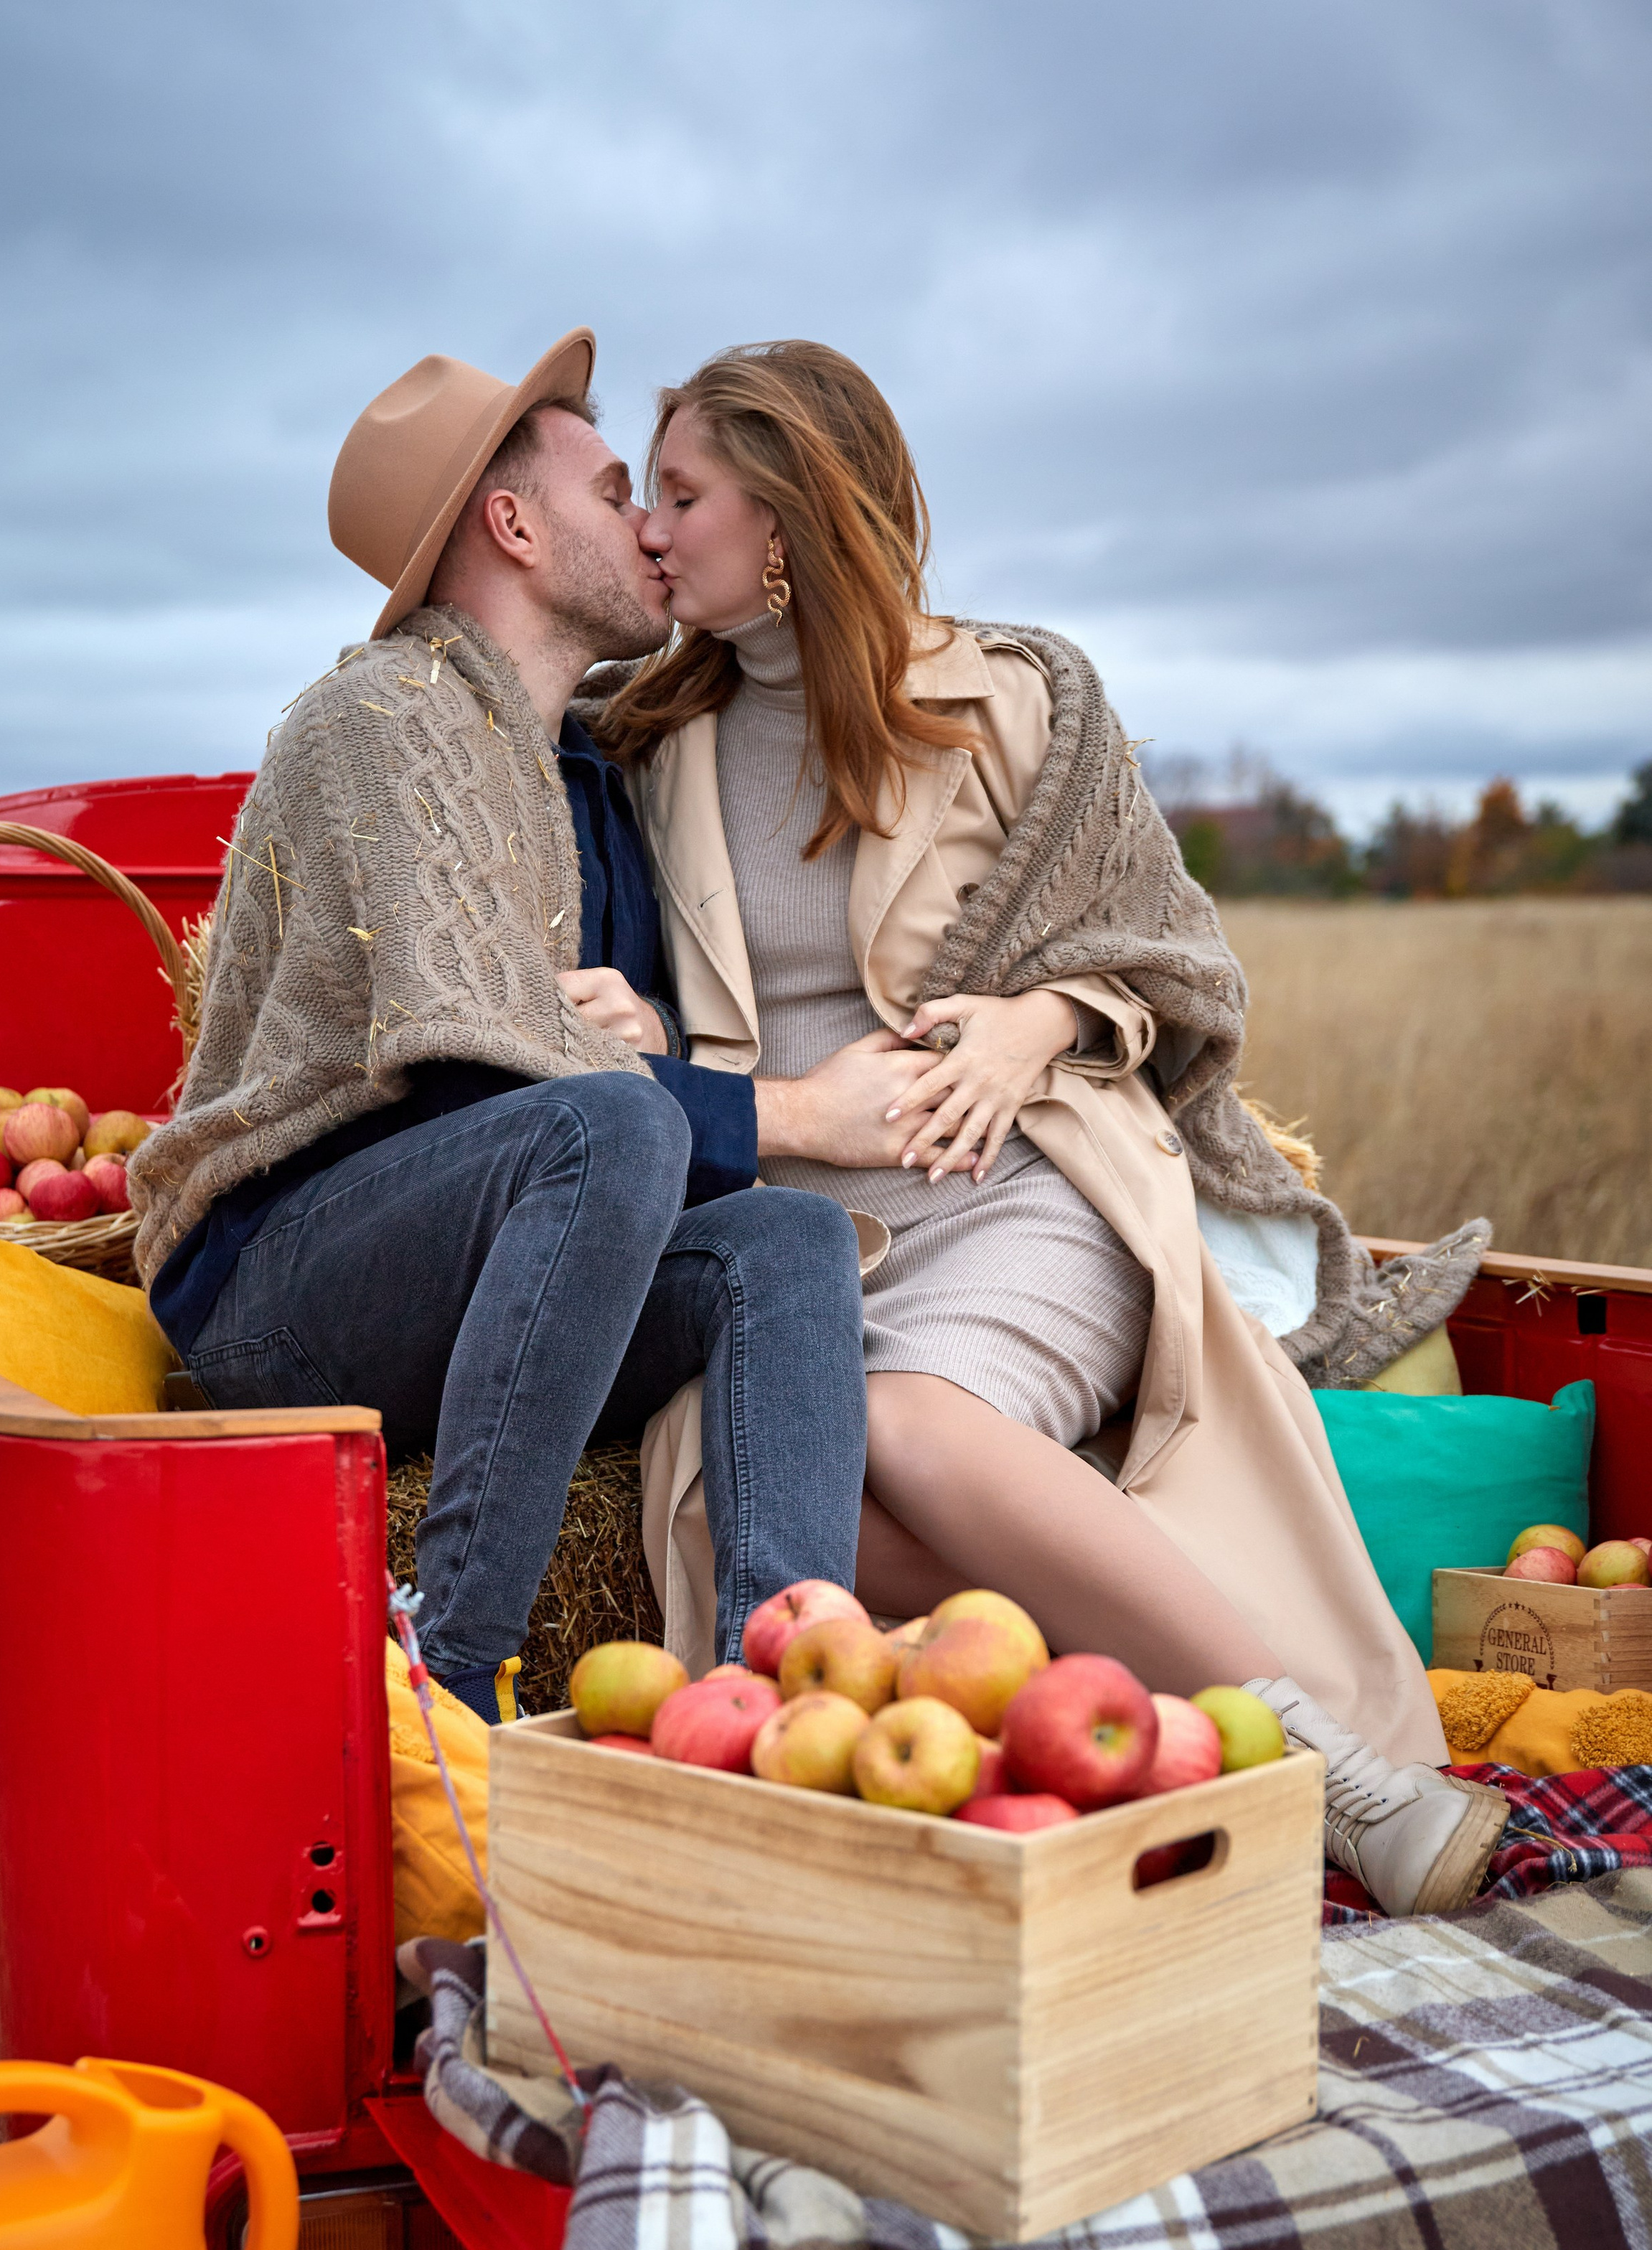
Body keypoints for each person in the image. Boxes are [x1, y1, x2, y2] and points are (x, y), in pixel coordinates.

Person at [596, 339, 1502, 1916]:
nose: (650, 528)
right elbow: (621, 1015)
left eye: (682, 494)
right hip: (789, 1232)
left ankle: (1332, 1776)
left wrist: (1037, 1022)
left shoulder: (1014, 697)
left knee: (905, 1425)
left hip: (1015, 1191)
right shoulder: (634, 744)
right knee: (729, 1493)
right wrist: (637, 1037)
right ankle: (1177, 1720)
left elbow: (1172, 961)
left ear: (791, 519)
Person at [131, 330, 884, 1719]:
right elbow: (489, 1071)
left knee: (785, 1238)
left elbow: (599, 1060)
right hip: (274, 1287)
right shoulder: (382, 720)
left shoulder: (587, 774)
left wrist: (643, 1029)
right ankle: (449, 1675)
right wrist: (788, 1110)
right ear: (515, 524)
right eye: (616, 493)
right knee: (603, 1129)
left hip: (486, 1273)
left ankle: (779, 1697)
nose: (652, 533)